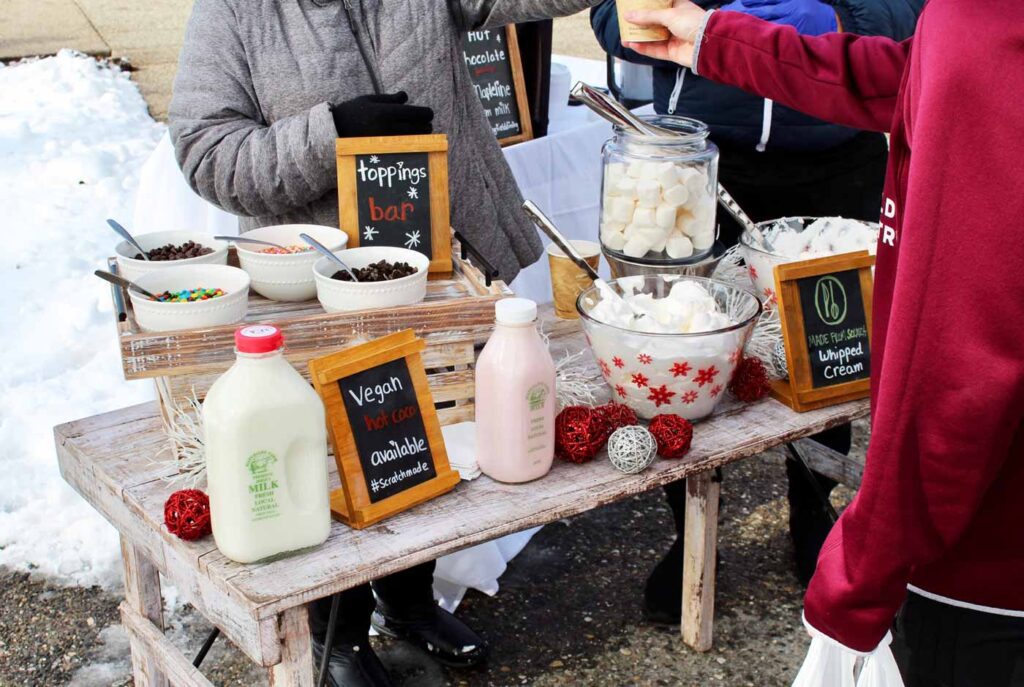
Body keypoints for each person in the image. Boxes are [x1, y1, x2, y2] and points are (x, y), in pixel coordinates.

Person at [168, 1, 603, 685]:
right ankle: (331, 633)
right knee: (332, 462)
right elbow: (207, 152)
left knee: (416, 441)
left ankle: (406, 599)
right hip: (321, 289)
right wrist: (330, 133)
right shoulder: (234, 10)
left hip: (439, 266)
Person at [620, 2, 1024, 684]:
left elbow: (954, 365)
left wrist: (862, 572)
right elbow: (913, 71)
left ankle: (816, 508)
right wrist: (721, 42)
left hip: (984, 562)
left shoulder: (982, 24)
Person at [590, 0, 921, 623]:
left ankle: (815, 512)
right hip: (703, 161)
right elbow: (612, 20)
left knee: (828, 349)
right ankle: (689, 529)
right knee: (679, 350)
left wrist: (833, 17)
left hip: (837, 155)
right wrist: (682, 18)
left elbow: (919, 18)